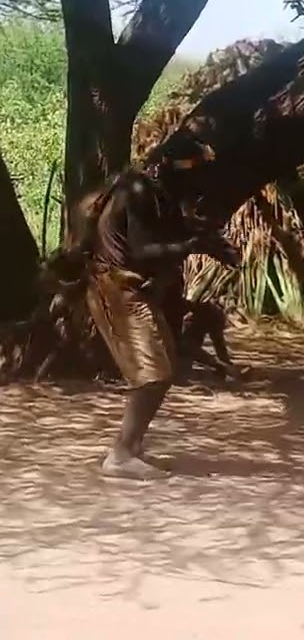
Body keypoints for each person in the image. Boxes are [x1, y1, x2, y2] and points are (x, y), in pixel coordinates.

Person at [81, 138, 240, 480]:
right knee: (153, 372)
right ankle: (121, 455)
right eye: (195, 173)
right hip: (116, 288)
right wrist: (192, 245)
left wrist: (207, 242)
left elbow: (167, 232)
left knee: (164, 366)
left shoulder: (155, 191)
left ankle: (132, 447)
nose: (198, 184)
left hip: (131, 288)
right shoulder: (137, 190)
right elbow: (143, 250)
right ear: (172, 169)